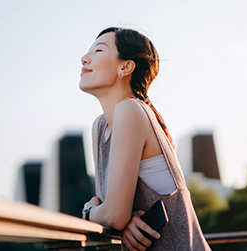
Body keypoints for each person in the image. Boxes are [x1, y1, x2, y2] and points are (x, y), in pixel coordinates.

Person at [80, 27, 211, 251]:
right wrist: (121, 222)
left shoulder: (130, 110)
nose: (84, 58)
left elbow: (111, 213)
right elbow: (111, 211)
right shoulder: (100, 127)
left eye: (98, 50)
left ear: (125, 67)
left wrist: (88, 211)